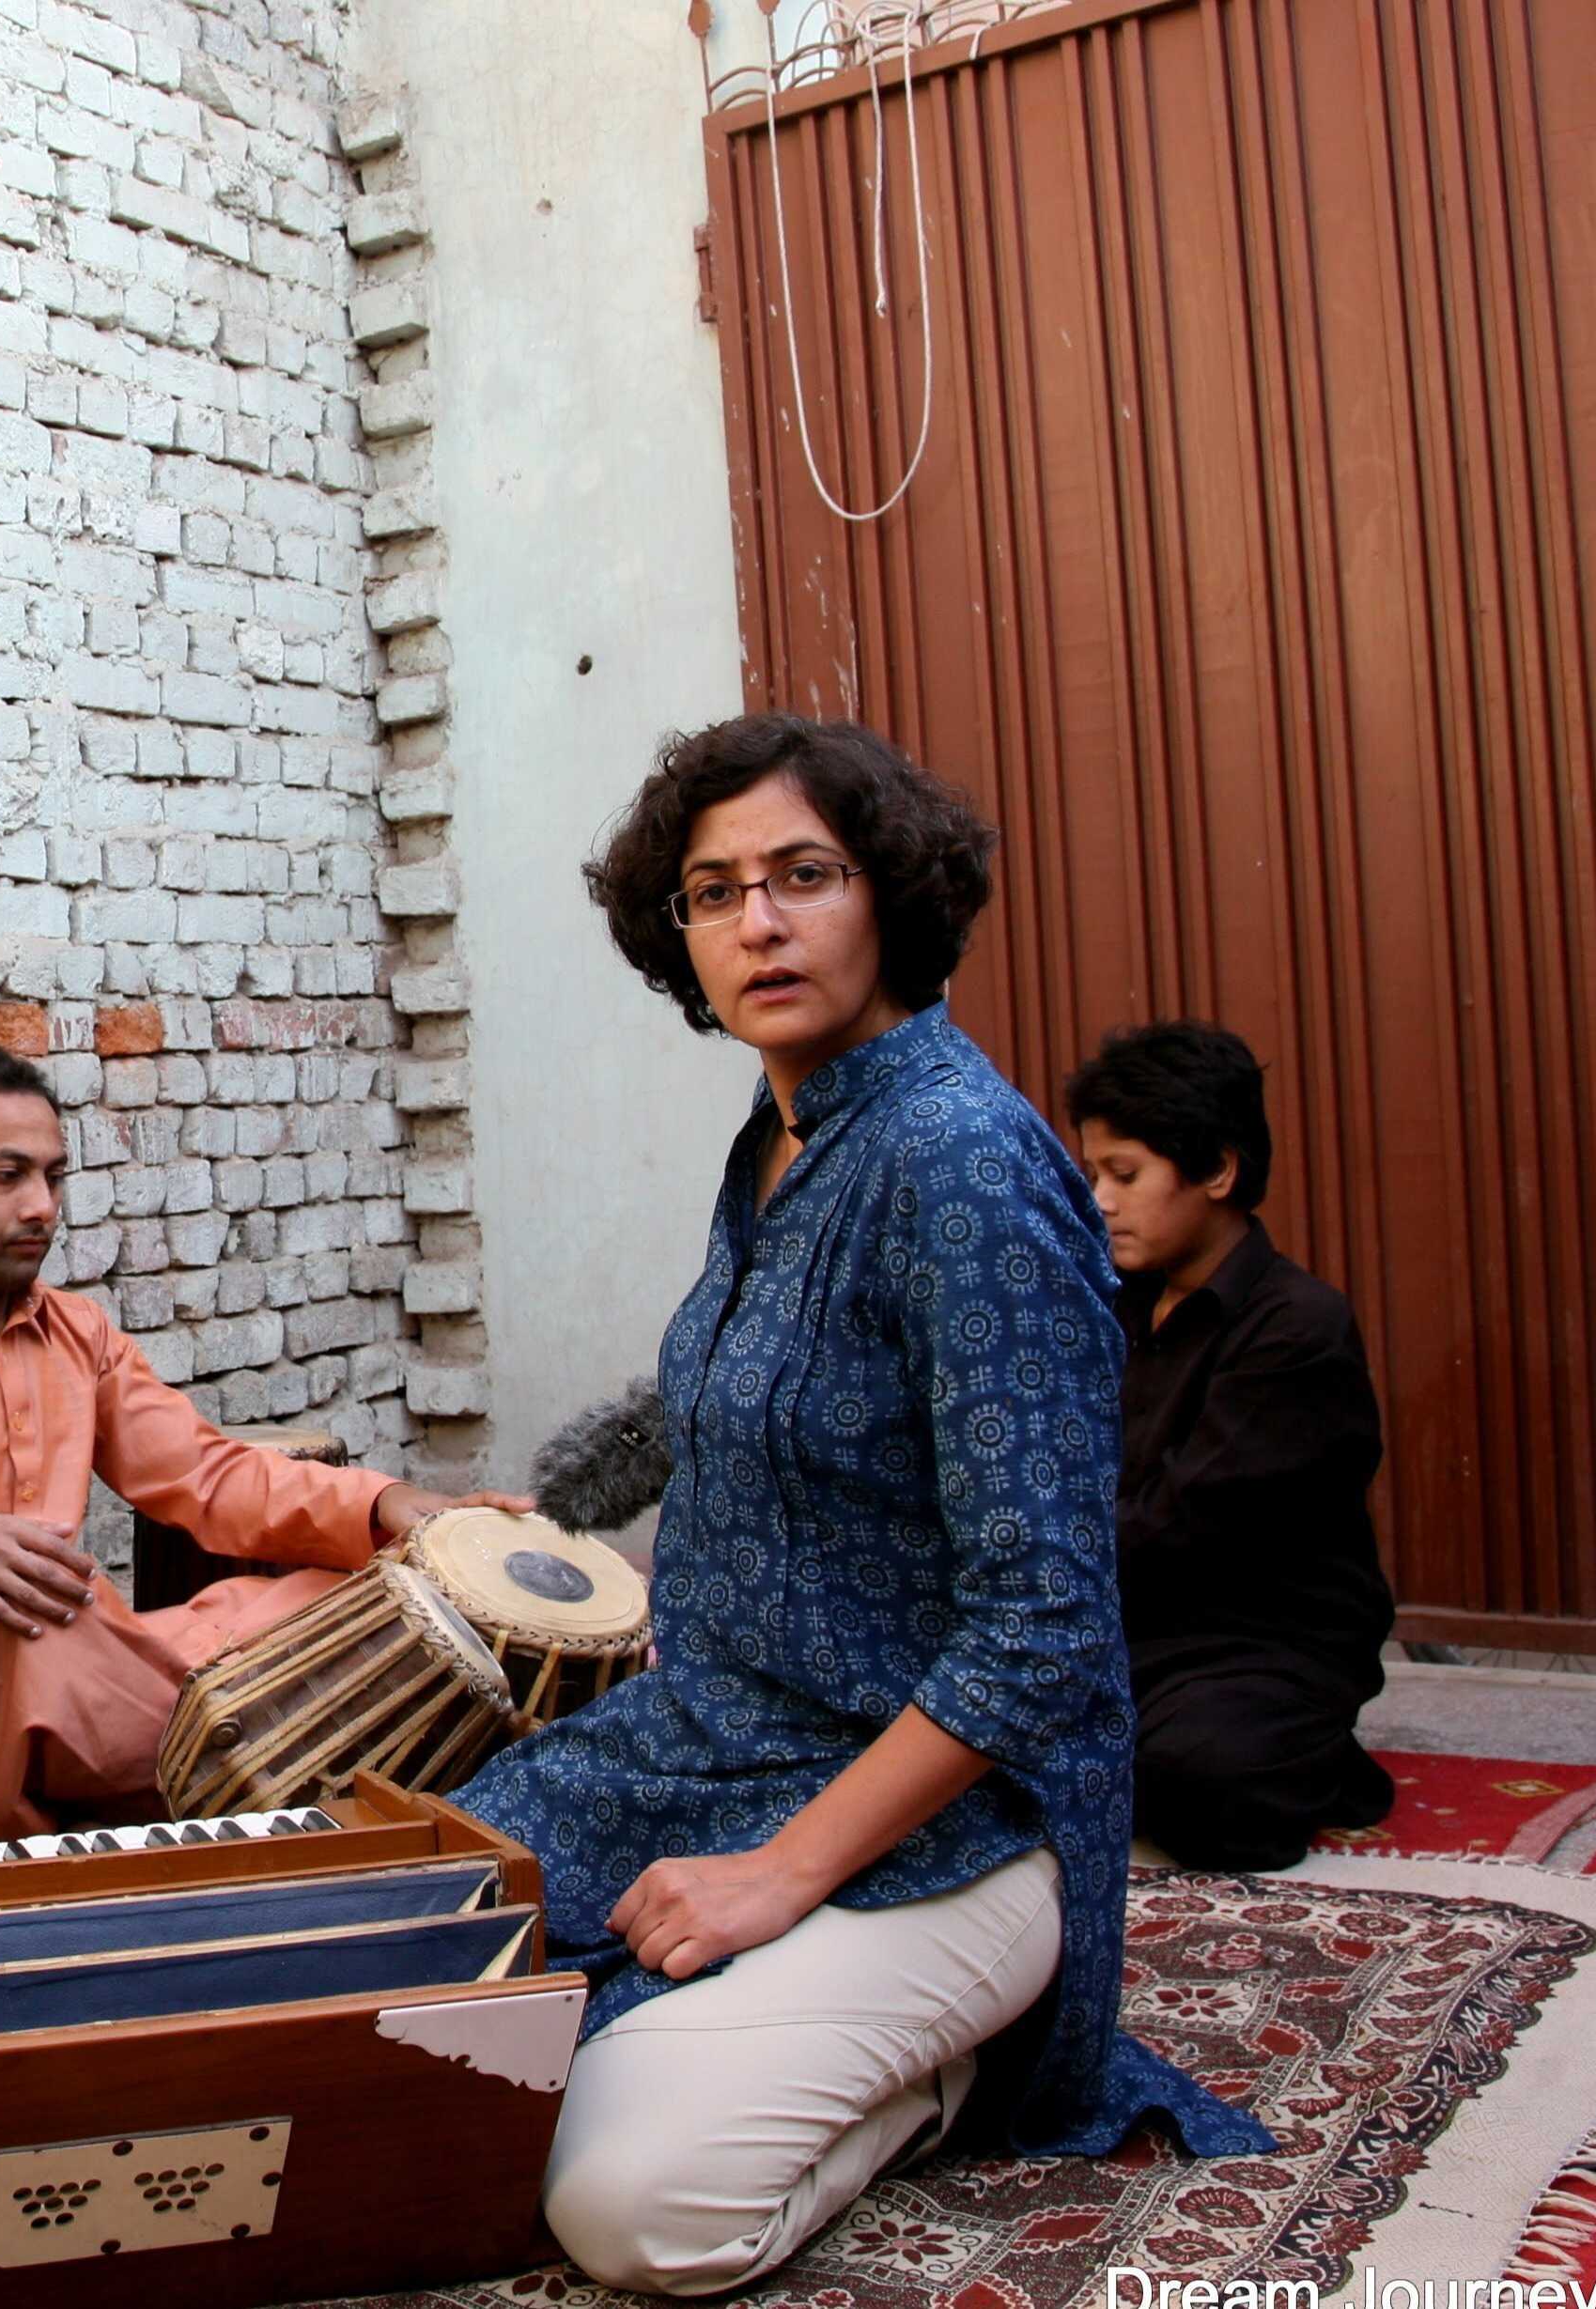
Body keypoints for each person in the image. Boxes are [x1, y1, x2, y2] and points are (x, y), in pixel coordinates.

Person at [451, 715, 1265, 2296]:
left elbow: (1042, 1630)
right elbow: (729, 1413)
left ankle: (966, 2060)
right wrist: (537, 1507)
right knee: (412, 1974)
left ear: (886, 894)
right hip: (717, 1738)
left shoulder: (962, 1162)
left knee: (626, 2199)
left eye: (801, 875)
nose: (754, 921)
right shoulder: (781, 1130)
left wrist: (780, 1873)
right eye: (710, 890)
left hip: (963, 1816)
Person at [0, 1045, 528, 1843]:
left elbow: (207, 1477)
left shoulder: (75, 1333)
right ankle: (224, 1746)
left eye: (53, 1177)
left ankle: (197, 1733)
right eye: (7, 1176)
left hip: (70, 1672)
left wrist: (392, 1507)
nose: (41, 1205)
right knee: (8, 1623)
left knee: (353, 1596)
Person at [1065, 1020, 1396, 1869]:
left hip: (1256, 1645)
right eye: (1093, 1173)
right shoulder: (1113, 1308)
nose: (1099, 1199)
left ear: (1218, 1169)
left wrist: (1035, 1561)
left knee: (1200, 1776)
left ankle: (1320, 1763)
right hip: (1130, 1628)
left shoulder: (1298, 1330)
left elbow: (1184, 1524)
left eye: (1126, 1174)